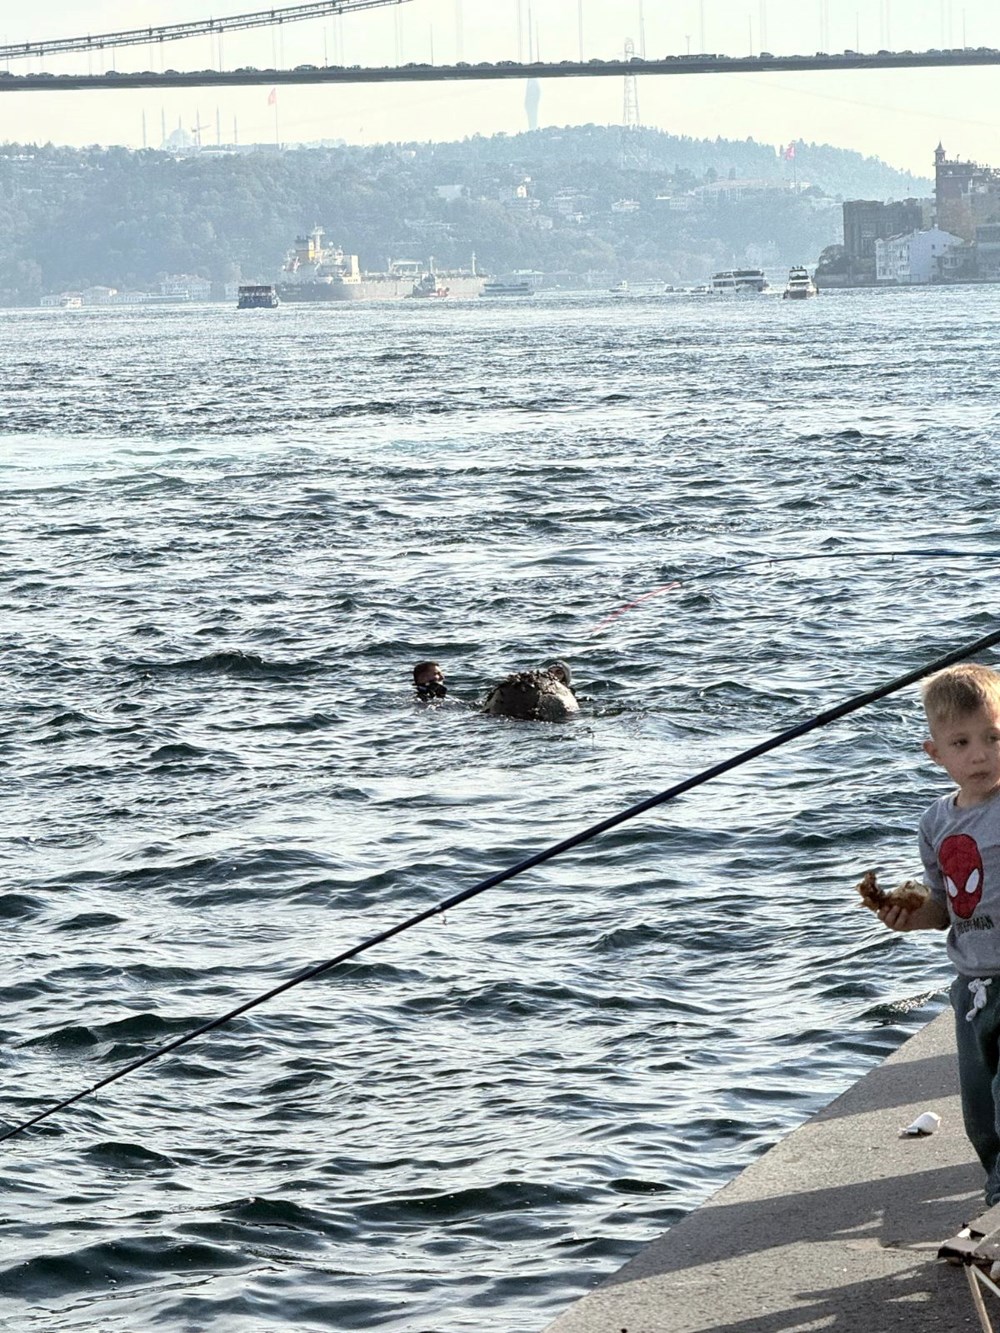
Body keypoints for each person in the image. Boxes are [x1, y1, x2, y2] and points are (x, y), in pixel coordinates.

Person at [873, 662, 1000, 1206]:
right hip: (971, 987)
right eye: (962, 742)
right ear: (936, 754)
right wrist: (910, 914)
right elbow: (946, 907)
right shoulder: (935, 823)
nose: (980, 754)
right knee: (981, 1113)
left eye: (994, 737)